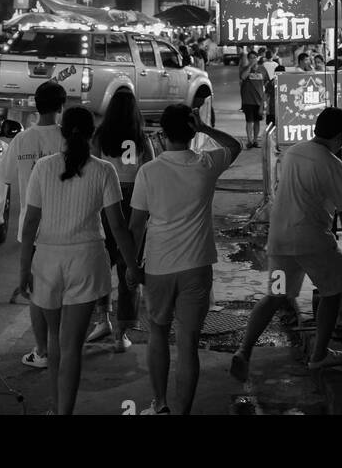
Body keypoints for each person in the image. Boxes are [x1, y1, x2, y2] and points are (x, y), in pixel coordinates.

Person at [18, 108, 141, 415]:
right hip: (86, 261)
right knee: (72, 346)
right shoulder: (103, 171)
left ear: (63, 132)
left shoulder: (43, 168)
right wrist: (132, 267)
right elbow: (118, 226)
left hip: (47, 262)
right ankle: (64, 412)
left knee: (55, 344)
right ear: (91, 134)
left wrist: (23, 270)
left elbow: (30, 223)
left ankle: (56, 406)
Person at [231, 107, 342, 380]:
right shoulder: (331, 163)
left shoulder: (292, 153)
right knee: (331, 291)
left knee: (275, 295)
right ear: (339, 136)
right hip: (313, 241)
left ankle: (244, 350)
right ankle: (319, 355)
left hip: (280, 241)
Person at [129, 103, 241, 415]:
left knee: (158, 334)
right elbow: (236, 145)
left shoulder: (148, 172)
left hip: (159, 267)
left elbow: (136, 226)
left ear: (162, 134)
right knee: (189, 344)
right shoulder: (207, 163)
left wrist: (130, 265)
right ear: (192, 133)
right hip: (197, 266)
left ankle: (160, 403)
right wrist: (204, 127)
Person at [0, 82, 67, 370]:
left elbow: (7, 177)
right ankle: (63, 346)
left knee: (39, 294)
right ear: (62, 106)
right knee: (64, 292)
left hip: (32, 229)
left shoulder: (22, 140)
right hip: (64, 225)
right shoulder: (66, 139)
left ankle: (42, 351)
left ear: (34, 105)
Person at [86, 90, 155, 352]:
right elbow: (151, 167)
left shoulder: (101, 136)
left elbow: (92, 165)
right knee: (130, 263)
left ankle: (103, 318)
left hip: (107, 201)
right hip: (136, 203)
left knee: (104, 261)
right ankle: (122, 333)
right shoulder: (141, 137)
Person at [239, 47, 265, 148]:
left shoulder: (262, 69)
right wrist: (249, 66)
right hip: (247, 100)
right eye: (251, 58)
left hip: (259, 100)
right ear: (248, 59)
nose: (253, 59)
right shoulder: (244, 69)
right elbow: (243, 77)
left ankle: (255, 140)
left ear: (257, 58)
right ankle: (249, 140)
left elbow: (266, 82)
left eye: (255, 57)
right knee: (249, 121)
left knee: (257, 122)